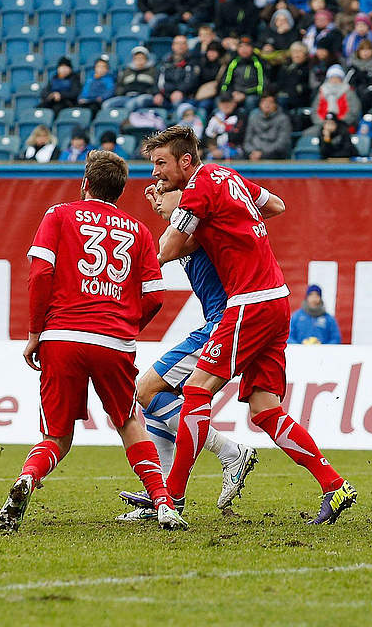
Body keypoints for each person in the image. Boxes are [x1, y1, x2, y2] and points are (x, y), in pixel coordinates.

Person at [141, 125, 358, 523]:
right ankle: (334, 485)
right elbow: (275, 205)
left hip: (249, 303)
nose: (155, 173)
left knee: (195, 390)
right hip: (276, 299)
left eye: (160, 163)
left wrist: (183, 215)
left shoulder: (199, 187)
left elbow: (168, 250)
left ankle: (171, 496)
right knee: (264, 409)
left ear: (185, 161)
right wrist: (227, 222)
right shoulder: (226, 176)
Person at [0, 151, 188, 532]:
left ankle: (28, 479)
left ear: (85, 183)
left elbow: (40, 275)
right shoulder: (138, 230)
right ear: (120, 192)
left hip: (62, 336)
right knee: (129, 421)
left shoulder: (58, 215)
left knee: (57, 435)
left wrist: (36, 333)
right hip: (114, 340)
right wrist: (124, 324)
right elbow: (154, 296)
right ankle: (164, 503)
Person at [114, 182, 258, 522]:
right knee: (153, 397)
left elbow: (162, 253)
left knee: (146, 389)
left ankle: (230, 452)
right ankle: (164, 496)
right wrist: (166, 210)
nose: (158, 193)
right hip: (216, 322)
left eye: (166, 188)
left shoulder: (200, 227)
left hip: (223, 324)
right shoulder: (184, 229)